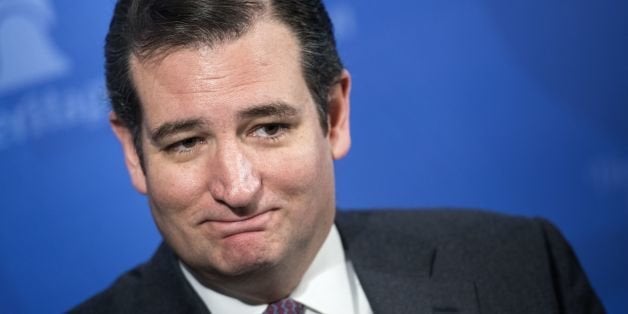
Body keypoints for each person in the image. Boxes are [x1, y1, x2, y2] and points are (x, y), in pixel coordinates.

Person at [71, 0, 605, 313]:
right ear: (134, 153)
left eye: (269, 127)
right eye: (186, 143)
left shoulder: (522, 269)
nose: (236, 188)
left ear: (334, 116)